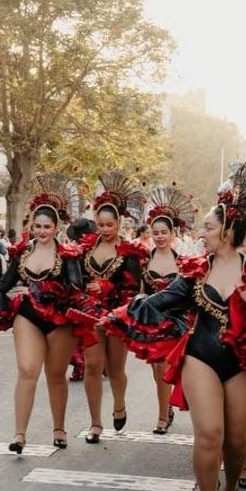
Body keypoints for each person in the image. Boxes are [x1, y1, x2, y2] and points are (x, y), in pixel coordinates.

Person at [104, 151, 246, 491]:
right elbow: (159, 302)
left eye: (207, 227)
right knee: (209, 433)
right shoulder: (194, 271)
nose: (201, 233)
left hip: (244, 362)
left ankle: (229, 489)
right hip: (200, 357)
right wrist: (119, 313)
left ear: (227, 230)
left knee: (236, 438)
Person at [0, 174, 94, 454]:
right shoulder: (21, 252)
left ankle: (58, 428)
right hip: (29, 315)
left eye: (47, 226)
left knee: (56, 374)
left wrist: (88, 293)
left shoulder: (69, 255)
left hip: (60, 319)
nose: (42, 230)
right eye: (37, 225)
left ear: (56, 227)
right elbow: (5, 284)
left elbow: (76, 288)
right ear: (31, 225)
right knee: (27, 370)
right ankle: (19, 434)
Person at [79, 172, 145, 444]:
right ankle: (95, 423)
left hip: (118, 315)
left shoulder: (129, 252)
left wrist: (106, 287)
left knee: (115, 369)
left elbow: (134, 288)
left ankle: (119, 404)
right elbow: (78, 280)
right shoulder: (85, 249)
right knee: (92, 366)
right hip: (91, 314)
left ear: (119, 223)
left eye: (110, 224)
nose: (105, 229)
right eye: (101, 224)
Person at [136, 186, 196, 434]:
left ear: (173, 234)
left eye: (164, 232)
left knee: (170, 369)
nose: (159, 236)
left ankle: (167, 412)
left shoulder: (183, 261)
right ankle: (164, 412)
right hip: (152, 323)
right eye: (155, 233)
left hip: (177, 323)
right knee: (157, 370)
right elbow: (139, 292)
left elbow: (191, 294)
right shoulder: (143, 259)